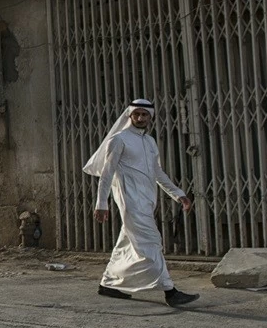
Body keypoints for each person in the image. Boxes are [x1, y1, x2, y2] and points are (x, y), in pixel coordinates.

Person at [83, 98, 200, 307]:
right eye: (136, 114)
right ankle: (170, 292)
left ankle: (108, 283)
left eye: (144, 115)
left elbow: (157, 173)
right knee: (152, 242)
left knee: (126, 243)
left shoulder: (150, 142)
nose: (140, 118)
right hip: (131, 202)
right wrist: (101, 203)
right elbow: (107, 174)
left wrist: (178, 194)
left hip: (147, 201)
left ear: (150, 117)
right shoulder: (119, 140)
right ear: (130, 116)